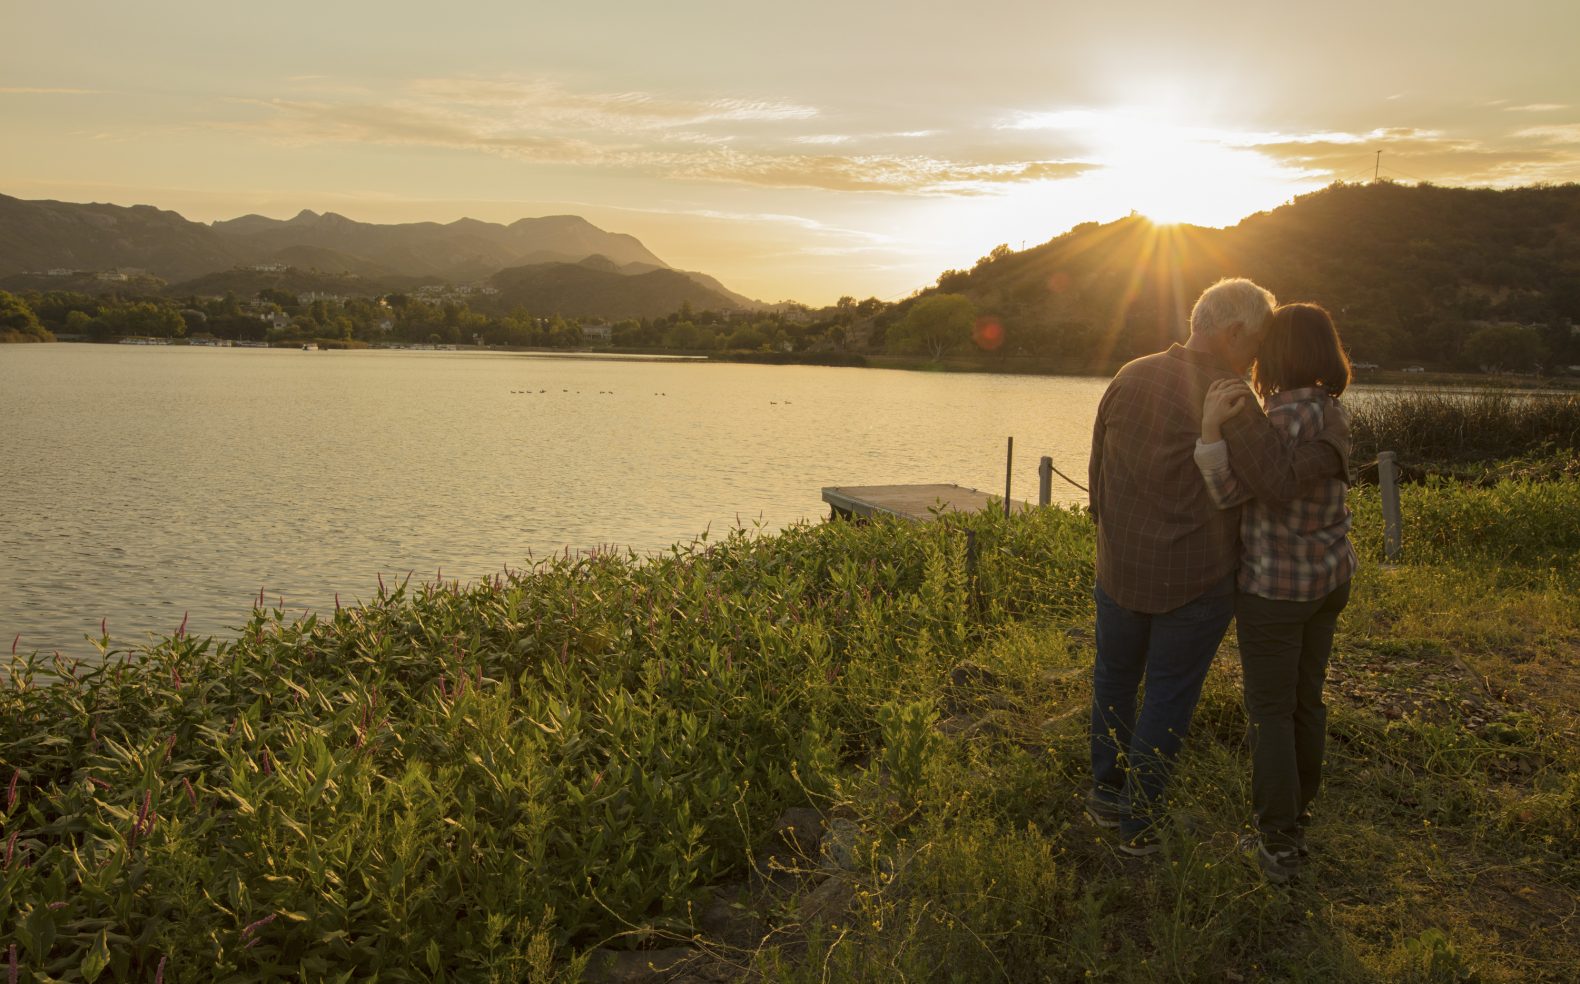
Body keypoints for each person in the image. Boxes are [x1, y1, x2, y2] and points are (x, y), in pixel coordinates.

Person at [1086, 278, 1348, 855]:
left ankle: (1107, 797)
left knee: (1115, 679)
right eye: (1255, 342)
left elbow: (1096, 476)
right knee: (1167, 699)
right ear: (1232, 333)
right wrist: (1332, 447)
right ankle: (1141, 827)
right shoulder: (1231, 397)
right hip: (1195, 581)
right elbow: (1276, 481)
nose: (1259, 356)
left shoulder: (1129, 374)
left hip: (1118, 569)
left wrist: (1110, 542)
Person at [1194, 302, 1357, 883]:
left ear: (1275, 354)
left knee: (1269, 713)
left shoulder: (1270, 420)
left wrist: (1212, 430)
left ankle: (1278, 841)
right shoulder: (1332, 412)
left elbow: (1230, 492)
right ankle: (1297, 814)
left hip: (1275, 590)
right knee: (1306, 700)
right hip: (1329, 578)